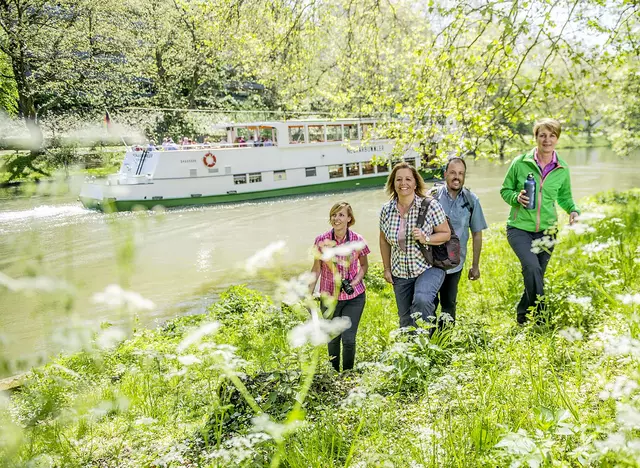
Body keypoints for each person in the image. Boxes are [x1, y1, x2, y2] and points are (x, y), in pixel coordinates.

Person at [500, 118, 580, 324]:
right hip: (519, 228)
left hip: (548, 230)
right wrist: (516, 197)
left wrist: (573, 210)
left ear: (557, 139)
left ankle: (522, 316)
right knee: (532, 268)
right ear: (535, 138)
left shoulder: (562, 168)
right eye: (542, 135)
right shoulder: (520, 162)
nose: (547, 139)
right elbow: (505, 190)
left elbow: (564, 197)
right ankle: (542, 317)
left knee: (535, 276)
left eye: (552, 135)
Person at [380, 162, 451, 331]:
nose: (403, 183)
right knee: (405, 320)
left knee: (422, 300)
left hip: (428, 267)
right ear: (393, 183)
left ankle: (428, 343)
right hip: (400, 272)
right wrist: (386, 268)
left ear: (415, 183)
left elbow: (445, 233)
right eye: (398, 179)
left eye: (408, 179)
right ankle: (410, 352)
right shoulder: (386, 210)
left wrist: (425, 238)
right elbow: (383, 241)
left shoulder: (430, 205)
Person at [311, 202, 370, 372]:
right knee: (333, 338)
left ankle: (348, 375)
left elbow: (364, 266)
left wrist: (355, 282)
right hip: (329, 297)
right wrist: (308, 293)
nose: (337, 219)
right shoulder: (321, 240)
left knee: (349, 339)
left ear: (349, 219)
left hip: (354, 297)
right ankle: (334, 374)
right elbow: (316, 269)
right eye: (334, 215)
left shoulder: (358, 240)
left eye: (341, 215)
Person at [431, 157, 488, 328]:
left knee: (448, 304)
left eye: (461, 173)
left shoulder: (471, 201)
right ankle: (428, 340)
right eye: (453, 173)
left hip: (455, 263)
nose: (457, 177)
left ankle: (445, 341)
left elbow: (477, 234)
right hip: (430, 262)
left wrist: (475, 265)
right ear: (445, 174)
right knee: (429, 303)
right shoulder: (432, 197)